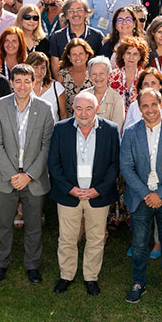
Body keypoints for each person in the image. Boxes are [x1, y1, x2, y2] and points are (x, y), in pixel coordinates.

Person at [0, 63, 56, 283]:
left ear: (34, 82)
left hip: (33, 178)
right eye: (17, 81)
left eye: (27, 81)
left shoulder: (45, 109)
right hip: (6, 177)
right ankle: (0, 263)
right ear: (11, 83)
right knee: (4, 224)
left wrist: (28, 175)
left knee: (34, 225)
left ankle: (32, 265)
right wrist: (12, 175)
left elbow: (47, 146)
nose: (22, 86)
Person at [121, 85, 162, 304]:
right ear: (139, 109)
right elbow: (126, 168)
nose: (150, 110)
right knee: (139, 245)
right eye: (144, 106)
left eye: (153, 104)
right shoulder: (131, 132)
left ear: (161, 104)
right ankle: (138, 282)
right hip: (140, 197)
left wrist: (159, 194)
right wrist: (146, 194)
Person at [48, 90, 119, 295]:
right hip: (69, 195)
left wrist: (99, 190)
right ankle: (66, 275)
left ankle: (91, 277)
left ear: (97, 109)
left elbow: (115, 164)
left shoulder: (110, 130)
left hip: (98, 195)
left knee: (96, 238)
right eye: (79, 108)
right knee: (67, 238)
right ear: (73, 109)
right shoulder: (61, 129)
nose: (84, 113)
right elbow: (54, 163)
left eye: (89, 108)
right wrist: (69, 189)